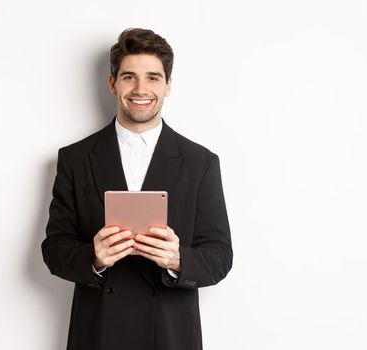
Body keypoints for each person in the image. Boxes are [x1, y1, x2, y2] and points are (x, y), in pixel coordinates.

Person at [42, 28, 232, 350]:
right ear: (113, 83)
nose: (141, 89)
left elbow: (220, 255)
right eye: (129, 77)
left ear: (168, 85)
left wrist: (178, 259)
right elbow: (54, 248)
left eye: (153, 77)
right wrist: (94, 257)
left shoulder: (201, 163)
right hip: (99, 334)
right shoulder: (74, 158)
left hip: (171, 336)